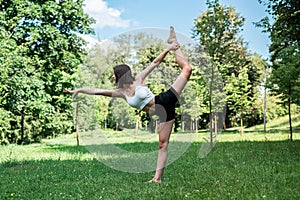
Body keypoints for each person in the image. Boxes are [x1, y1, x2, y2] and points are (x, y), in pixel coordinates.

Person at [64, 26, 192, 183]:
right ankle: (157, 178)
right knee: (162, 144)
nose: (112, 77)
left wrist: (168, 49)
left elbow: (155, 62)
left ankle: (175, 44)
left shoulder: (139, 79)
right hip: (162, 113)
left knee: (187, 69)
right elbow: (97, 90)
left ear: (120, 76)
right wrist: (79, 90)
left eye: (114, 75)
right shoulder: (121, 93)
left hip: (165, 100)